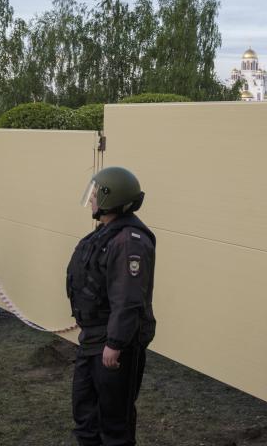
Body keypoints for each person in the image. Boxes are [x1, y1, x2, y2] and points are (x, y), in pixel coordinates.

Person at [67, 166, 156, 446]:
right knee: (85, 416)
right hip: (92, 339)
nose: (91, 199)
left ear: (110, 197)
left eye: (95, 193)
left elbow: (128, 299)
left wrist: (115, 344)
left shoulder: (129, 241)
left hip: (114, 345)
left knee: (114, 424)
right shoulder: (105, 233)